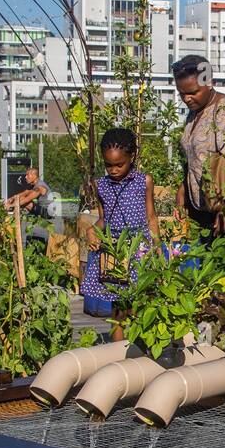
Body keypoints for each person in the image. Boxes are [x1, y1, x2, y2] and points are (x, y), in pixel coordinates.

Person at [79, 128, 159, 337]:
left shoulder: (144, 181)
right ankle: (118, 354)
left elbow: (151, 217)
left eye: (119, 164)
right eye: (108, 165)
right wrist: (91, 230)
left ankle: (140, 349)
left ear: (131, 157)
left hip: (139, 248)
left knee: (140, 302)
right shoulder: (101, 185)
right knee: (118, 307)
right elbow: (104, 218)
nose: (113, 170)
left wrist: (157, 247)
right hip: (114, 250)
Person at [174, 55, 225, 237]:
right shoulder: (194, 114)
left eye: (193, 92)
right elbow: (195, 159)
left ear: (209, 83)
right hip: (202, 210)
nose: (187, 99)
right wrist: (183, 191)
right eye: (182, 93)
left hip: (222, 213)